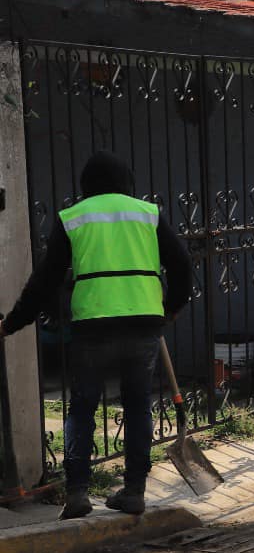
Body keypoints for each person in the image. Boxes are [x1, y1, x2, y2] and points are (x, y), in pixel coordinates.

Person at [0, 153, 194, 519]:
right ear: (127, 181)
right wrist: (171, 307)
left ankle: (77, 494)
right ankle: (134, 491)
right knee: (138, 406)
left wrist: (12, 323)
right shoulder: (147, 213)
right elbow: (182, 264)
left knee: (83, 409)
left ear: (86, 184)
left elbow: (45, 282)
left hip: (92, 328)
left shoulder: (74, 218)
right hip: (142, 325)